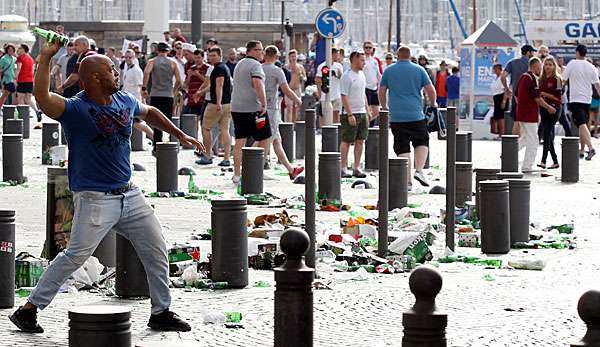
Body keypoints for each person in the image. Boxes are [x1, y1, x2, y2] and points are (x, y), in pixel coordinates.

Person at [9, 39, 203, 334]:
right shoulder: (74, 109)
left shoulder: (123, 100)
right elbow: (42, 96)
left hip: (130, 193)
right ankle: (29, 309)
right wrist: (46, 58)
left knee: (156, 249)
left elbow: (148, 111)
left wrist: (179, 134)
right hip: (95, 198)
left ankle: (161, 311)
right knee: (74, 256)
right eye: (112, 69)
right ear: (96, 78)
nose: (117, 73)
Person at [378, 45, 436, 187]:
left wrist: (384, 106)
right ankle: (419, 170)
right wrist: (433, 104)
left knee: (402, 147)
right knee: (422, 141)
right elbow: (431, 90)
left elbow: (381, 91)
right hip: (416, 114)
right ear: (410, 56)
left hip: (397, 116)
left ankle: (407, 180)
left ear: (397, 56)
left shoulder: (389, 70)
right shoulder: (419, 70)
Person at [230, 40, 271, 184]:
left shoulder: (239, 64)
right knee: (265, 136)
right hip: (253, 108)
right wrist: (264, 103)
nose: (262, 53)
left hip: (237, 107)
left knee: (240, 140)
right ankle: (258, 169)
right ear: (251, 51)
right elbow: (258, 84)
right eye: (259, 50)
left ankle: (237, 174)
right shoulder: (255, 65)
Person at [262, 45, 304, 179]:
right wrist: (297, 99)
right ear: (275, 56)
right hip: (271, 108)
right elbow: (286, 89)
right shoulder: (277, 71)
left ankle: (291, 169)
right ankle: (253, 165)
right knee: (265, 139)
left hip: (260, 107)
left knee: (276, 139)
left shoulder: (259, 68)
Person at [515, 57, 556, 172]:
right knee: (533, 140)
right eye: (539, 67)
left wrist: (521, 106)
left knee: (525, 138)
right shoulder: (532, 79)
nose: (541, 69)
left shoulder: (523, 77)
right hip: (529, 114)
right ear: (534, 66)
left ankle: (508, 153)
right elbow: (537, 98)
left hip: (522, 113)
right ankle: (527, 166)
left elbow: (516, 95)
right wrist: (548, 107)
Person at [562, 44, 600, 160]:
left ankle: (591, 148)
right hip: (587, 100)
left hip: (575, 99)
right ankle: (582, 150)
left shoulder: (572, 64)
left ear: (577, 52)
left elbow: (563, 80)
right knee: (582, 125)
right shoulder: (591, 66)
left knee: (582, 124)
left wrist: (559, 90)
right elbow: (597, 85)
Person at [196, 47, 232, 167]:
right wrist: (200, 92)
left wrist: (218, 103)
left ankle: (207, 155)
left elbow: (219, 86)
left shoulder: (218, 69)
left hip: (216, 104)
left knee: (205, 128)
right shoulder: (225, 68)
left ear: (220, 55)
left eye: (214, 55)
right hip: (227, 104)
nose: (211, 58)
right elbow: (214, 86)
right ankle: (226, 158)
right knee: (225, 130)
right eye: (210, 56)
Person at [143, 42, 182, 151]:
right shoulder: (173, 63)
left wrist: (144, 88)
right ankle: (171, 143)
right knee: (168, 120)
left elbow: (146, 73)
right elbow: (179, 80)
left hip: (155, 94)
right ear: (168, 51)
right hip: (168, 95)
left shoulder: (152, 61)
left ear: (157, 50)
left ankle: (157, 145)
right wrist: (173, 90)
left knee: (156, 120)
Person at [339, 51, 372, 178]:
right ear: (354, 60)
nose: (364, 63)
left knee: (360, 140)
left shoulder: (362, 75)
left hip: (362, 112)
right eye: (362, 60)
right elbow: (344, 96)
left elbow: (363, 93)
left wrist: (367, 109)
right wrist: (349, 114)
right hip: (350, 112)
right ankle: (343, 167)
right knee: (346, 140)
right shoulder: (347, 76)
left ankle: (356, 167)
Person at [502, 45, 536, 127]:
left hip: (516, 96)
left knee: (516, 121)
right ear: (528, 52)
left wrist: (507, 89)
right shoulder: (533, 64)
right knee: (528, 123)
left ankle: (515, 139)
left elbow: (503, 77)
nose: (533, 54)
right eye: (532, 52)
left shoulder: (512, 62)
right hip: (530, 98)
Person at [537, 56, 563, 169]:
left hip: (554, 108)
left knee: (546, 132)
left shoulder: (557, 79)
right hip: (543, 108)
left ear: (554, 66)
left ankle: (543, 161)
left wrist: (544, 94)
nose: (548, 66)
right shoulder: (541, 78)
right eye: (546, 64)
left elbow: (558, 97)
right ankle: (555, 161)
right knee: (547, 134)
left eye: (550, 64)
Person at [315, 48, 344, 125]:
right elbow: (317, 80)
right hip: (325, 95)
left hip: (336, 95)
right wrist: (319, 94)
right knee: (325, 116)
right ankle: (325, 132)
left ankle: (336, 134)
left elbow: (342, 78)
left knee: (336, 115)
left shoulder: (339, 66)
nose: (337, 56)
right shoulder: (322, 66)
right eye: (336, 54)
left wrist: (339, 73)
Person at [15, 44, 40, 116]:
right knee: (28, 99)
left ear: (23, 49)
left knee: (20, 99)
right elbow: (33, 70)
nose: (18, 50)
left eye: (19, 48)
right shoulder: (30, 58)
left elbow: (18, 68)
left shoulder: (20, 58)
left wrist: (15, 78)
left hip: (22, 80)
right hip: (30, 81)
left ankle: (23, 116)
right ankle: (36, 111)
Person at [363, 41, 383, 124]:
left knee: (376, 111)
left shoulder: (374, 61)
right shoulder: (362, 59)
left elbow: (378, 74)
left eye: (369, 47)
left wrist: (382, 85)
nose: (368, 49)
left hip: (374, 88)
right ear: (363, 48)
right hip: (365, 88)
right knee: (367, 110)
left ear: (372, 49)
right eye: (366, 47)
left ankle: (365, 125)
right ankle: (365, 127)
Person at [284, 49, 306, 123]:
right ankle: (288, 124)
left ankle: (294, 124)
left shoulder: (300, 67)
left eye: (295, 56)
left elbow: (305, 77)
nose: (293, 58)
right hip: (288, 89)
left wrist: (302, 77)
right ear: (289, 58)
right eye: (292, 56)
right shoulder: (286, 67)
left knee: (296, 107)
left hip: (297, 89)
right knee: (289, 107)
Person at [491, 63, 508, 137]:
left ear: (499, 69)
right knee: (497, 116)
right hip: (496, 97)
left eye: (495, 69)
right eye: (494, 69)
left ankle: (502, 134)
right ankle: (499, 133)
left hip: (502, 97)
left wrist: (504, 101)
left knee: (501, 117)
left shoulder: (503, 78)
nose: (494, 70)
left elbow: (506, 90)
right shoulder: (495, 78)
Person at [0, 44, 16, 109]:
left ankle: (11, 108)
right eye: (9, 49)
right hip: (6, 79)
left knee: (7, 94)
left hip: (12, 79)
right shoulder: (3, 59)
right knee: (6, 94)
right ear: (6, 50)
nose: (11, 51)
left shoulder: (14, 58)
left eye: (12, 50)